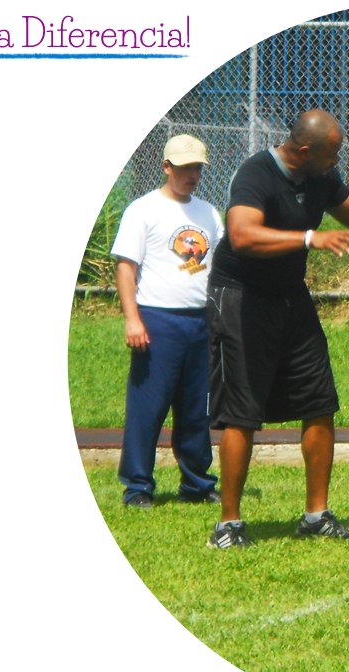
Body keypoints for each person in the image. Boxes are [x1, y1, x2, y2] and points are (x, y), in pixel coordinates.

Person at [204, 109, 349, 550]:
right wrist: (311, 238)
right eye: (331, 154)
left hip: (291, 296)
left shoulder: (319, 175)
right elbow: (243, 234)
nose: (336, 162)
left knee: (319, 400)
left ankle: (316, 516)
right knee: (242, 412)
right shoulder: (256, 174)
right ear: (304, 150)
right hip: (241, 298)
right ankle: (228, 525)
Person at [110, 134, 224, 508]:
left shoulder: (209, 213)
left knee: (196, 409)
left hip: (200, 321)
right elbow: (126, 267)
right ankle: (137, 486)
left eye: (197, 168)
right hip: (158, 320)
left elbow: (218, 264)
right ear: (166, 167)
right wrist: (133, 319)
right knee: (148, 407)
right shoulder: (143, 210)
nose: (192, 175)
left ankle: (197, 483)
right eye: (185, 168)